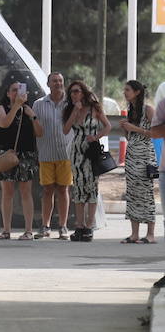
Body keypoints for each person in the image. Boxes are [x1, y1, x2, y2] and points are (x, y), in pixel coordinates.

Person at [0, 80, 41, 240]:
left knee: (26, 191)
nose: (16, 93)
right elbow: (4, 123)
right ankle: (6, 230)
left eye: (19, 90)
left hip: (26, 154)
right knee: (7, 191)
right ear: (7, 93)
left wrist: (32, 116)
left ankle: (28, 230)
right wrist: (16, 106)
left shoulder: (28, 109)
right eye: (13, 90)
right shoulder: (2, 108)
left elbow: (40, 132)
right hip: (6, 153)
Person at [64, 80, 109, 242]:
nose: (74, 94)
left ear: (83, 92)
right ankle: (79, 226)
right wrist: (75, 112)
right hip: (77, 152)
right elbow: (66, 129)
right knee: (78, 188)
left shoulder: (94, 109)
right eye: (71, 92)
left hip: (91, 151)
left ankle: (89, 226)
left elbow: (108, 126)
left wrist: (96, 136)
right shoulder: (71, 109)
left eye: (77, 91)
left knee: (91, 188)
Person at [32, 72, 71, 239]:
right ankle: (45, 225)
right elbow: (35, 127)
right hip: (46, 153)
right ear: (48, 84)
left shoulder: (70, 104)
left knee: (63, 190)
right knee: (47, 190)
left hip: (65, 153)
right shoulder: (39, 104)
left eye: (60, 80)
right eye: (54, 81)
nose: (58, 83)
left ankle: (63, 226)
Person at [119, 79, 157, 243]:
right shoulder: (131, 110)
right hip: (132, 156)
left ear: (137, 92)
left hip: (145, 156)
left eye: (127, 90)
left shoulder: (148, 109)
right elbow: (131, 137)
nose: (125, 92)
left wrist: (134, 128)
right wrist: (126, 129)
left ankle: (151, 234)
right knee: (133, 193)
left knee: (146, 193)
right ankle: (134, 233)